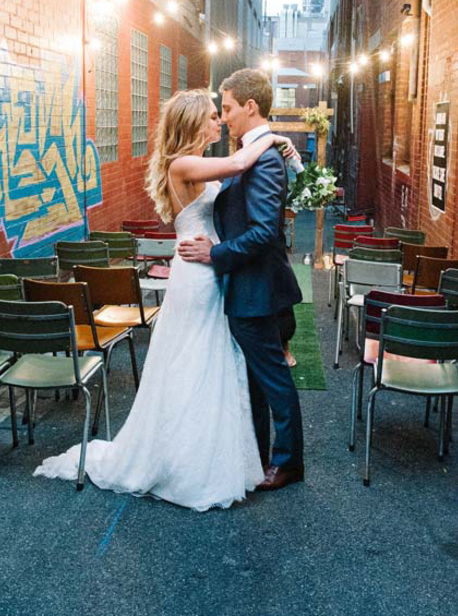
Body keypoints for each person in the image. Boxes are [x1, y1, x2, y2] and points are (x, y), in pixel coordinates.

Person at [34, 88, 299, 512]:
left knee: (209, 361)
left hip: (209, 268)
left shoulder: (194, 164)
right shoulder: (185, 163)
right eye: (212, 116)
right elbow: (237, 164)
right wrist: (269, 138)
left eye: (221, 113)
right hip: (199, 274)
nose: (218, 121)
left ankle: (210, 447)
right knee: (197, 360)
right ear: (193, 122)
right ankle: (189, 459)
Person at [179, 69, 304, 491]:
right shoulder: (249, 151)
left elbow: (265, 231)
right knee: (254, 378)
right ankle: (259, 455)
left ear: (250, 107)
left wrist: (214, 254)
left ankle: (287, 463)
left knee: (271, 379)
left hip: (257, 290)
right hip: (246, 287)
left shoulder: (264, 157)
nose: (224, 116)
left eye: (228, 108)